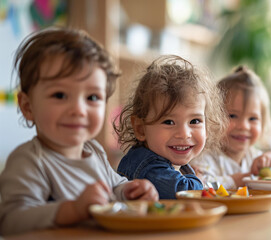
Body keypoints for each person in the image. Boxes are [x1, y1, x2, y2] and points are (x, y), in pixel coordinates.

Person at [0, 27, 159, 236]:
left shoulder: (95, 151)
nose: (78, 110)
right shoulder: (30, 161)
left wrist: (130, 191)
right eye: (59, 95)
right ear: (28, 106)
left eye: (92, 98)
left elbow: (115, 186)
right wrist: (72, 210)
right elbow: (10, 221)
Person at [114, 55, 228, 199]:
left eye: (194, 121)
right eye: (169, 122)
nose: (184, 134)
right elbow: (184, 192)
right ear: (140, 129)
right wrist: (198, 180)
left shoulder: (166, 160)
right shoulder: (148, 166)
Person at [191, 66, 271, 189]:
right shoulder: (204, 157)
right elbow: (199, 186)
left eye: (252, 119)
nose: (243, 126)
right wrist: (236, 180)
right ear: (213, 118)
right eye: (232, 116)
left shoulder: (254, 157)